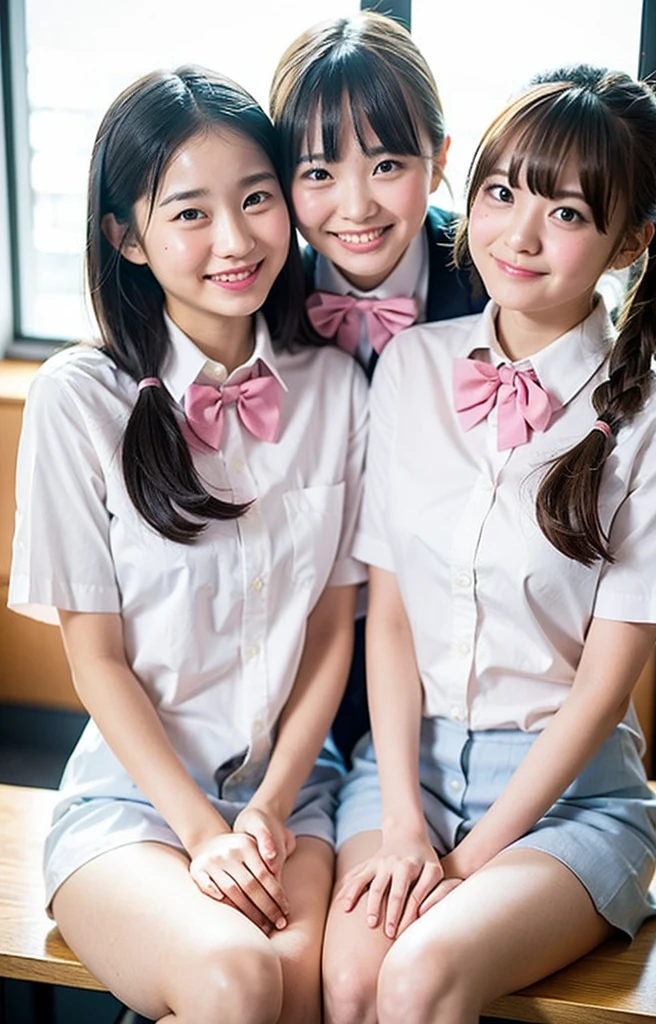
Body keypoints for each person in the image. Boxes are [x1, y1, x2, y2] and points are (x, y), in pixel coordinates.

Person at [8, 65, 367, 1024]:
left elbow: (333, 632)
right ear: (126, 236)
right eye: (190, 213)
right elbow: (95, 659)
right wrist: (205, 831)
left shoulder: (338, 392)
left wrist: (264, 807)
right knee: (237, 980)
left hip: (291, 795)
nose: (238, 240)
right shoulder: (78, 401)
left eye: (256, 199)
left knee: (295, 987)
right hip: (132, 802)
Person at [323, 66, 656, 1024]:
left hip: (571, 799)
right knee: (350, 981)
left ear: (631, 241)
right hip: (409, 774)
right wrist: (405, 824)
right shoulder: (411, 367)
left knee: (416, 977)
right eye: (501, 191)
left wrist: (468, 865)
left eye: (566, 212)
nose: (518, 234)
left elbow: (607, 687)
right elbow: (389, 620)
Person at [269, 11, 487, 761]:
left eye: (388, 165)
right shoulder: (255, 296)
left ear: (442, 156)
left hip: (459, 661)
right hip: (291, 662)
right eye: (318, 174)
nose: (355, 206)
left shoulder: (499, 282)